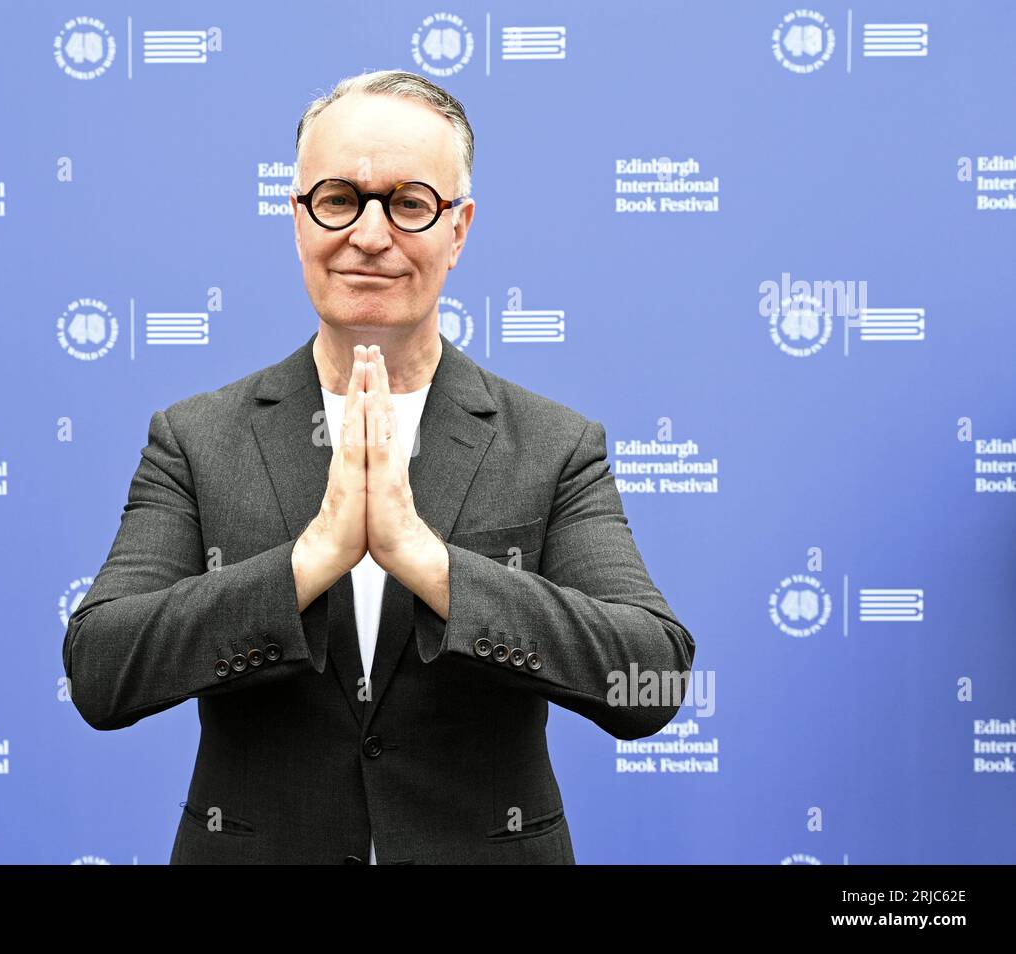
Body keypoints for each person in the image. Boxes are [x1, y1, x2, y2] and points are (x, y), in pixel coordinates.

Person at [62, 69, 695, 864]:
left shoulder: (554, 444)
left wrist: (430, 564)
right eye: (337, 199)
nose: (368, 234)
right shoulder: (195, 439)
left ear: (458, 230)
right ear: (298, 220)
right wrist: (308, 561)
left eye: (408, 203)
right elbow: (100, 670)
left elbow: (655, 678)